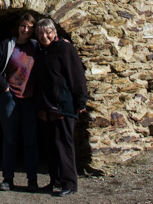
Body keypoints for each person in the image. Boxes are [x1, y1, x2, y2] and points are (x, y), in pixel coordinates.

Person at [34, 18, 87, 197]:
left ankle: (70, 183)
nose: (44, 36)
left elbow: (76, 76)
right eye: (40, 33)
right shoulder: (40, 51)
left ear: (54, 32)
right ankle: (55, 180)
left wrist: (80, 101)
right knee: (50, 146)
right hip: (46, 107)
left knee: (64, 145)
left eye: (47, 32)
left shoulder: (65, 49)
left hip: (63, 106)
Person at [0, 13, 39, 192]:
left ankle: (32, 180)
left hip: (30, 99)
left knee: (31, 140)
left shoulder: (35, 47)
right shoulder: (8, 45)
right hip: (9, 98)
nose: (26, 30)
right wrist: (4, 87)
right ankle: (8, 179)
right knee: (9, 139)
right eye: (24, 26)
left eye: (30, 27)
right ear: (18, 27)